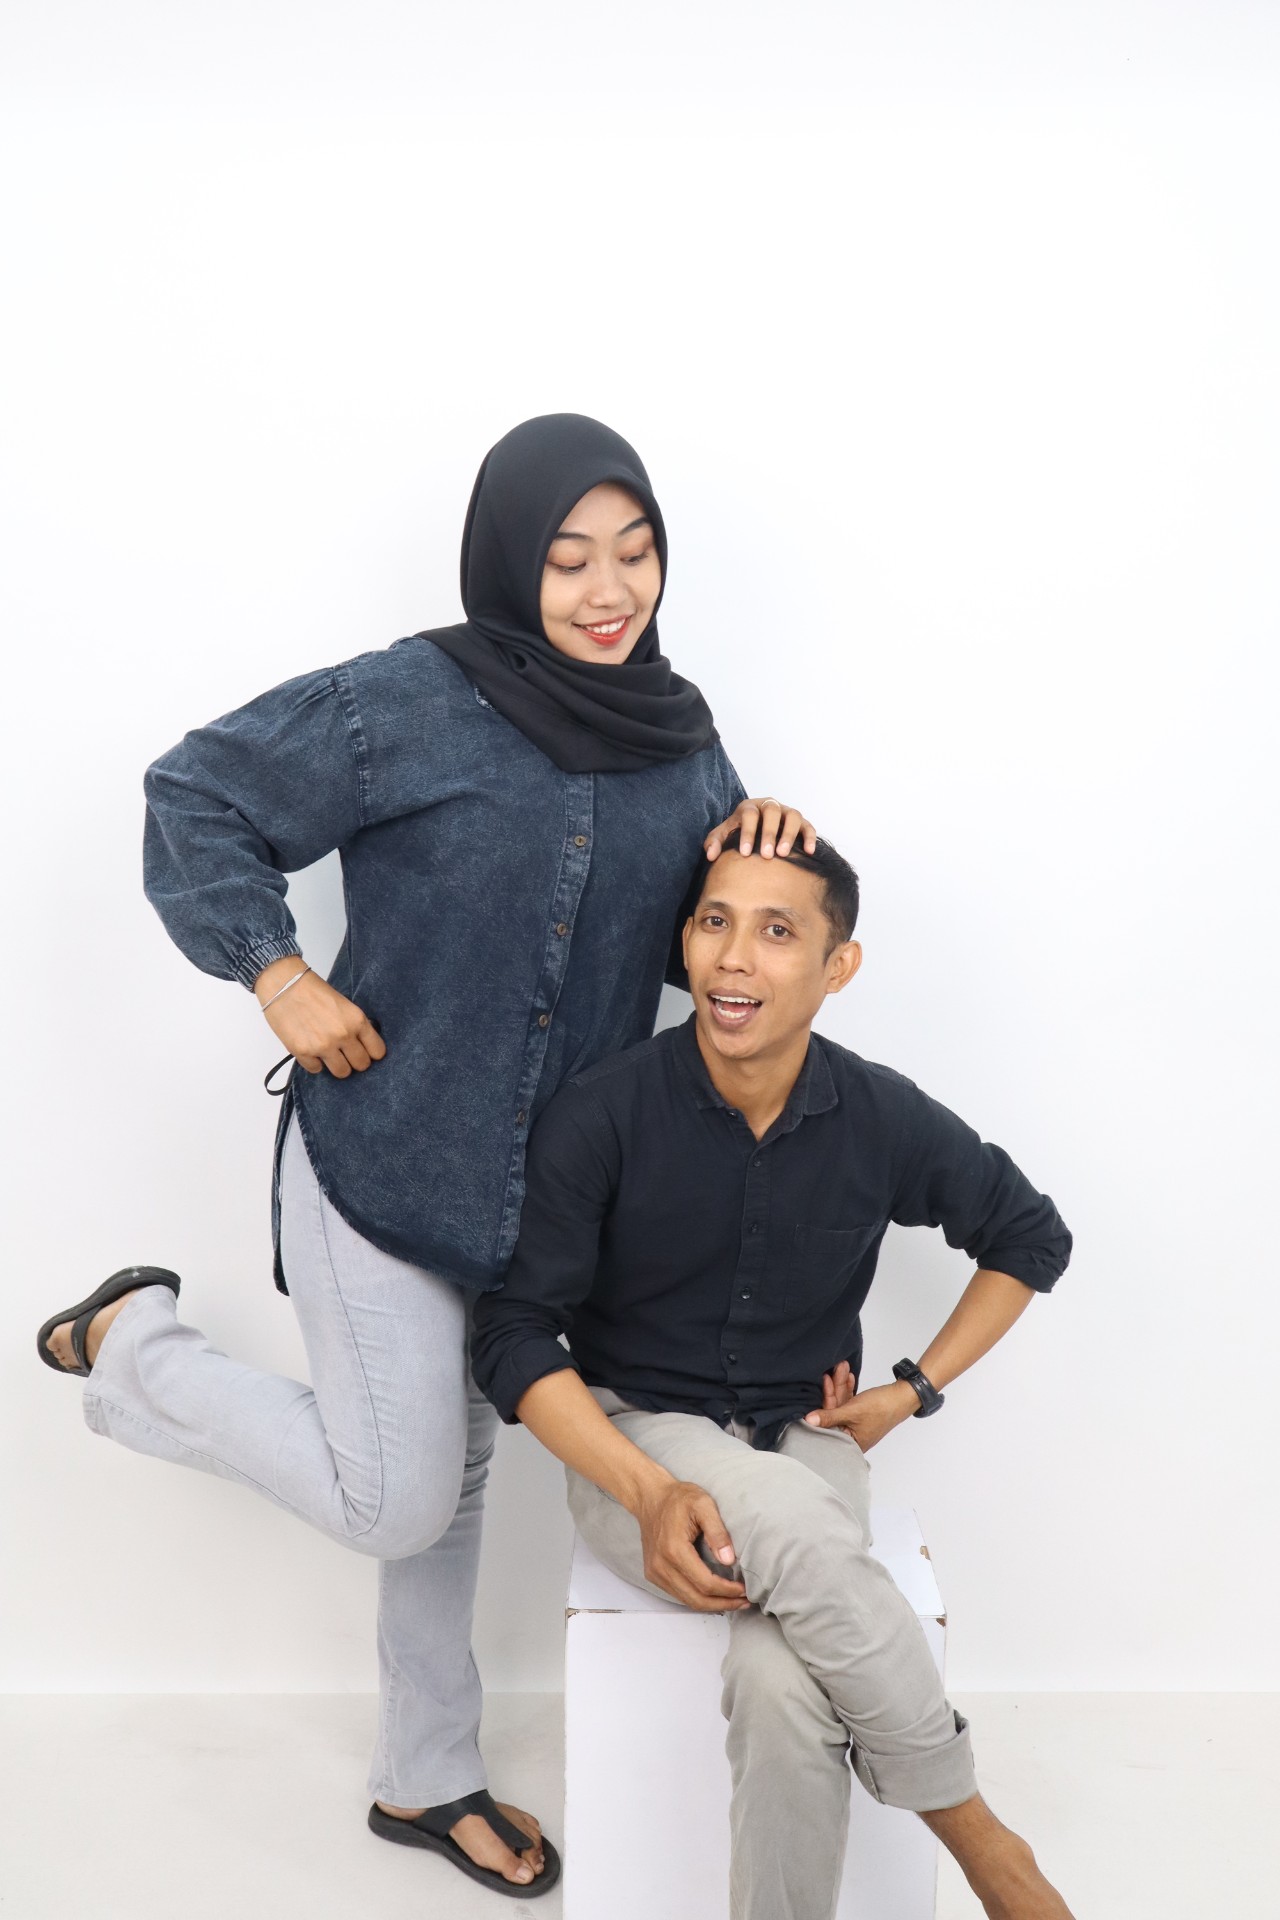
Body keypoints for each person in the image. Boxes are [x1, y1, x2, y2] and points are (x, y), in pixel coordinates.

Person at [35, 414, 817, 1901]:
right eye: (569, 558)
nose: (608, 590)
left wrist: (761, 850)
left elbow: (700, 946)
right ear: (511, 563)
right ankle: (136, 1348)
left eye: (636, 553)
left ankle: (424, 1773)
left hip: (543, 1201)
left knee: (447, 1483)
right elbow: (194, 792)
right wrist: (276, 972)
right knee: (397, 1493)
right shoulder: (408, 699)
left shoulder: (681, 738)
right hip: (382, 1160)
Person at [471, 832, 1078, 1920]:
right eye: (715, 922)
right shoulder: (603, 1111)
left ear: (838, 966)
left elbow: (1027, 1238)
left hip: (808, 1434)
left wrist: (911, 1389)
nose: (734, 957)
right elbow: (513, 1334)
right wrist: (650, 1490)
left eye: (776, 930)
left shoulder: (879, 1115)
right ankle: (986, 1845)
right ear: (686, 943)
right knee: (795, 1526)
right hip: (638, 1439)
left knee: (782, 1683)